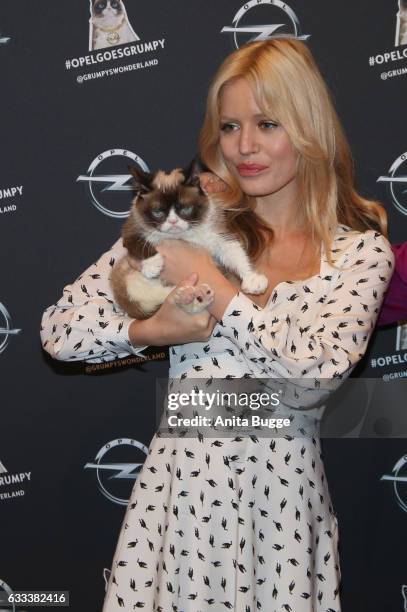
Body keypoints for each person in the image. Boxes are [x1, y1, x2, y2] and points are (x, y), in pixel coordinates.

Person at [41, 39, 395, 611]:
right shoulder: (186, 219)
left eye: (267, 123)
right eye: (229, 126)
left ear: (309, 129)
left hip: (280, 509)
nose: (245, 146)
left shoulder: (358, 254)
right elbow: (60, 330)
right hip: (179, 497)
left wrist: (219, 289)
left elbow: (311, 382)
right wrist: (151, 333)